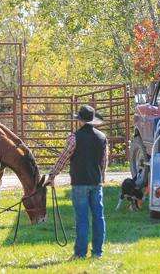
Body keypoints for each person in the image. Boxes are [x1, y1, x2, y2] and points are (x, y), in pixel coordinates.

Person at [47, 104, 108, 259]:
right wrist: (102, 177)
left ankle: (80, 253)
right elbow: (104, 161)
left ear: (79, 120)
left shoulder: (74, 138)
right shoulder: (102, 138)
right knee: (98, 217)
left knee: (81, 218)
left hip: (79, 182)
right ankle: (97, 252)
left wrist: (52, 175)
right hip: (96, 182)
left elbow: (64, 158)